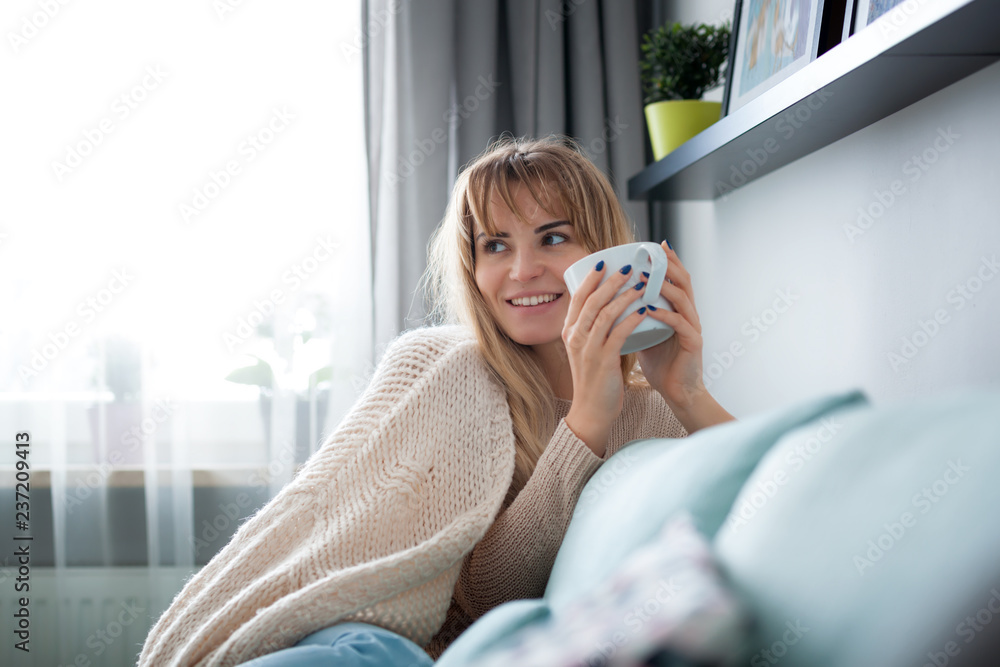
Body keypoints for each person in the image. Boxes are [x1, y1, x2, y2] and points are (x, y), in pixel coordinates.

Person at [137, 135, 734, 667]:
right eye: (495, 245)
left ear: (605, 251)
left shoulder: (653, 410)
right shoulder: (445, 369)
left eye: (553, 237)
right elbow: (483, 595)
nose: (522, 270)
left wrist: (687, 393)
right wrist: (587, 421)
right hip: (366, 645)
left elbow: (767, 486)